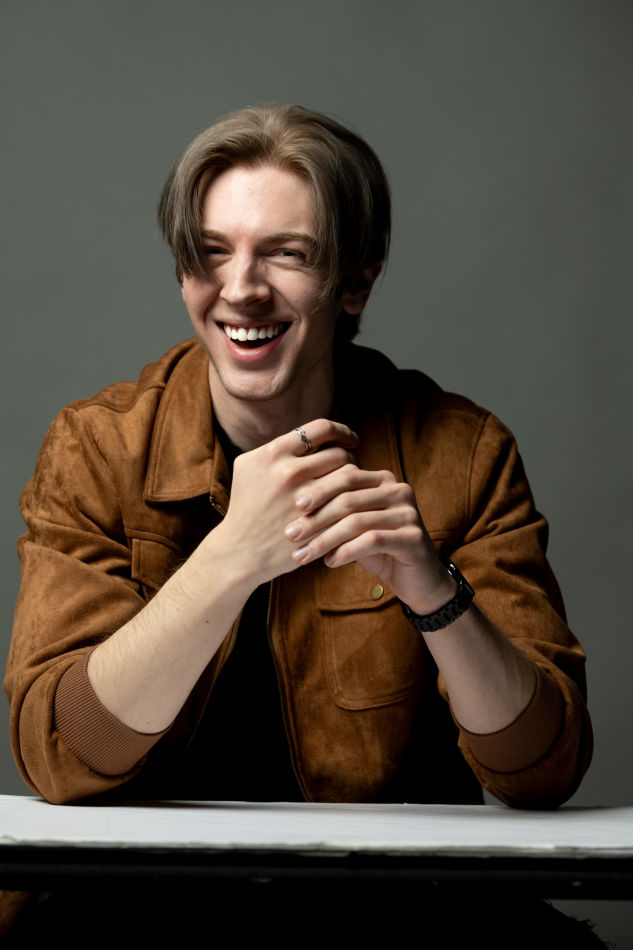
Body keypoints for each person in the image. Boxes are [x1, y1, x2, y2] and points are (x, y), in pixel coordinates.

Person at [5, 104, 592, 811]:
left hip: (387, 881)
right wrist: (232, 558)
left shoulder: (463, 455)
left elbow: (541, 770)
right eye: (212, 251)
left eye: (287, 253)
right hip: (152, 879)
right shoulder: (99, 449)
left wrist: (436, 595)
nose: (241, 289)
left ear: (356, 283)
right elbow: (61, 757)